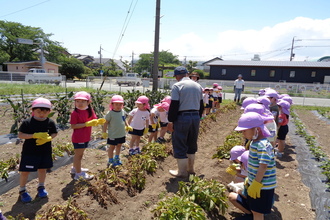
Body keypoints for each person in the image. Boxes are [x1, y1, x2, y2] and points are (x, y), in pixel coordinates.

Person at [231, 112, 276, 219]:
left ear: (257, 129)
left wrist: (256, 183)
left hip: (262, 187)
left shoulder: (262, 145)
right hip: (257, 184)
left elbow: (263, 166)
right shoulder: (254, 142)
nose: (243, 133)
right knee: (255, 210)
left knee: (258, 212)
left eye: (244, 131)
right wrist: (250, 180)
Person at [17, 98, 58, 203]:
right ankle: (22, 190)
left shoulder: (50, 122)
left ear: (49, 112)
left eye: (45, 112)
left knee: (42, 169)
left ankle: (41, 186)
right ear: (33, 110)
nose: (41, 114)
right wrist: (33, 135)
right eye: (38, 112)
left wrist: (49, 138)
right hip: (30, 152)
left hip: (45, 151)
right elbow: (20, 135)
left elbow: (54, 133)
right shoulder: (27, 122)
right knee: (25, 171)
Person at [167, 66, 204, 177]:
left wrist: (170, 121)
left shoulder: (177, 86)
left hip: (182, 117)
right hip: (195, 116)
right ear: (187, 74)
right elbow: (202, 105)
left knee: (180, 143)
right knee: (191, 143)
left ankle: (182, 172)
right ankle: (190, 169)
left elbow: (174, 105)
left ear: (177, 76)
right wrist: (198, 117)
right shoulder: (198, 85)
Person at [70, 91, 105, 180]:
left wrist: (98, 121)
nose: (80, 103)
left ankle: (75, 169)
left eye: (83, 101)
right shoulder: (75, 113)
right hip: (78, 137)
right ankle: (78, 174)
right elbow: (73, 126)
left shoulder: (89, 110)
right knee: (79, 155)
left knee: (79, 155)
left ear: (88, 102)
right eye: (78, 101)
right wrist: (86, 124)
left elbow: (94, 119)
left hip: (86, 136)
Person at [102, 95, 131, 167]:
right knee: (112, 147)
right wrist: (104, 132)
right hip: (113, 134)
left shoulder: (123, 111)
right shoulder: (110, 113)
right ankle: (110, 159)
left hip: (121, 134)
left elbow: (124, 119)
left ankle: (117, 158)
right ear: (112, 104)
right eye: (116, 104)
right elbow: (105, 123)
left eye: (120, 104)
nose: (118, 106)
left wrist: (128, 125)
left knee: (119, 146)